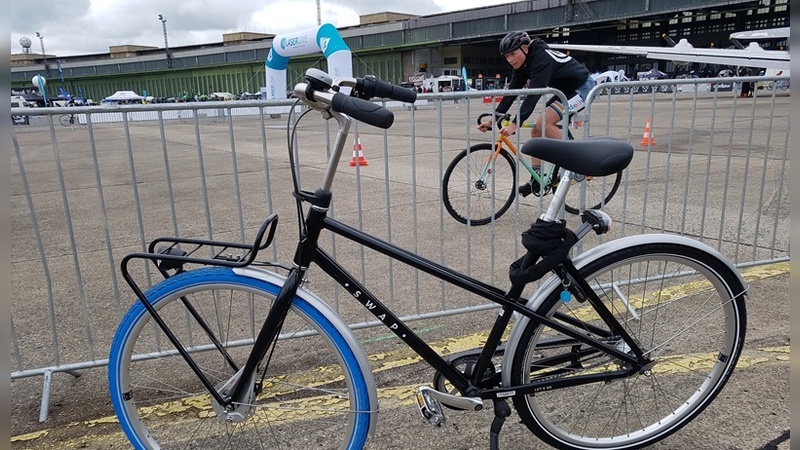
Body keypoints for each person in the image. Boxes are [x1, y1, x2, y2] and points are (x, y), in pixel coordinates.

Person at [477, 30, 596, 197]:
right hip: (566, 91)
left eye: (512, 54)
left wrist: (515, 124)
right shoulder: (522, 64)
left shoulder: (541, 60)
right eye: (506, 56)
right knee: (536, 130)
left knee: (543, 122)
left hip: (583, 87)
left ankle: (578, 160)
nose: (510, 59)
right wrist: (493, 118)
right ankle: (537, 178)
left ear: (525, 48)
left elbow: (533, 94)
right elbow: (513, 91)